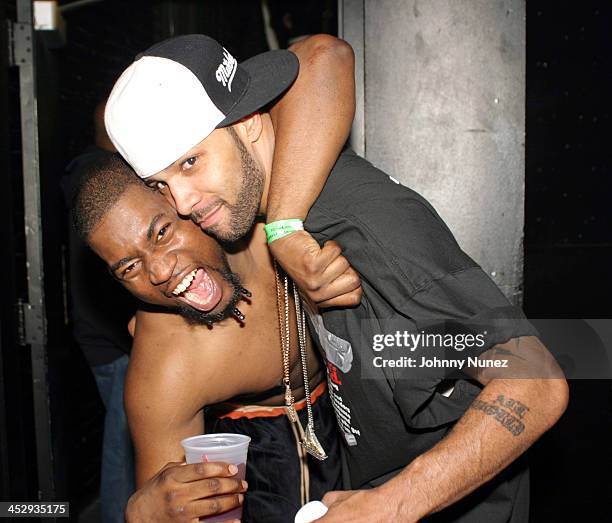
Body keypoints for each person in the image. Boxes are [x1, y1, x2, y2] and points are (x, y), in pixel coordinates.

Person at [105, 34, 569, 522]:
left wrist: (391, 505)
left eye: (190, 163)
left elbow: (536, 382)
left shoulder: (362, 223)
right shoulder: (288, 212)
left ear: (246, 123)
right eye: (162, 184)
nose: (183, 203)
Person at [73, 153, 343, 522]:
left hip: (358, 424)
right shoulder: (166, 366)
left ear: (182, 201)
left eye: (161, 233)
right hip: (259, 466)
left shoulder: (288, 226)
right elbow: (171, 502)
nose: (160, 271)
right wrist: (147, 514)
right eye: (130, 268)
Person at [61, 101, 136, 523]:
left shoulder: (91, 174)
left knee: (125, 440)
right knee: (123, 447)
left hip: (108, 337)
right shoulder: (99, 179)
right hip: (113, 340)